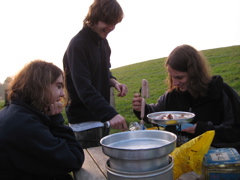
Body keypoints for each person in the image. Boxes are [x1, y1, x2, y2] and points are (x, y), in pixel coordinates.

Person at [132, 44, 240, 151]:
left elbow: (235, 132)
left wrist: (204, 129)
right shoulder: (172, 95)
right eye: (172, 77)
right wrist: (142, 108)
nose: (174, 82)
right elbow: (156, 115)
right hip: (182, 157)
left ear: (195, 73)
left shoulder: (221, 93)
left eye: (179, 77)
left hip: (215, 157)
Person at [0, 60, 85, 180]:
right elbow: (74, 158)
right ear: (40, 85)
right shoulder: (25, 124)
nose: (62, 94)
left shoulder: (15, 113)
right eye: (59, 86)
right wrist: (56, 121)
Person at [63, 0, 128, 149]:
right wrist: (110, 114)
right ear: (93, 17)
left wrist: (114, 82)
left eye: (114, 24)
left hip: (102, 120)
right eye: (107, 22)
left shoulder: (103, 43)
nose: (111, 27)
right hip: (85, 125)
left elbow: (104, 72)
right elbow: (84, 88)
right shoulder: (78, 45)